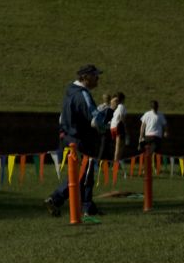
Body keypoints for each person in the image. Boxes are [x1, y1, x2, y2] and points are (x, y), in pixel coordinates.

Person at [45, 64, 107, 218]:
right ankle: (56, 198)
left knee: (85, 173)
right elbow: (95, 120)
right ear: (85, 77)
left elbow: (61, 118)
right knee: (82, 173)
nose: (97, 78)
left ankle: (88, 207)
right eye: (95, 75)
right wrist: (105, 122)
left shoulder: (69, 92)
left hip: (68, 137)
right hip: (80, 139)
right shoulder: (83, 94)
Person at [110, 92, 127, 162]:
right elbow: (122, 117)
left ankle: (117, 160)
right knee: (119, 146)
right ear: (122, 99)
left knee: (119, 146)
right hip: (118, 126)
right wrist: (125, 128)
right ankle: (116, 162)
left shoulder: (115, 107)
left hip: (112, 126)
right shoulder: (122, 106)